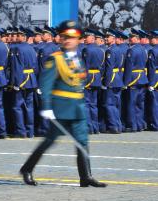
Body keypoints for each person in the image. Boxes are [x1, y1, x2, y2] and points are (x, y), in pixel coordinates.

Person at [19, 20, 107, 188]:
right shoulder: (55, 59)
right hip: (61, 108)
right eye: (64, 37)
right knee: (50, 141)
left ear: (78, 39)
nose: (67, 40)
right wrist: (46, 106)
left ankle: (86, 176)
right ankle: (27, 168)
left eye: (71, 37)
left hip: (78, 108)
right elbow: (45, 84)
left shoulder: (78, 59)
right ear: (59, 39)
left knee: (82, 141)